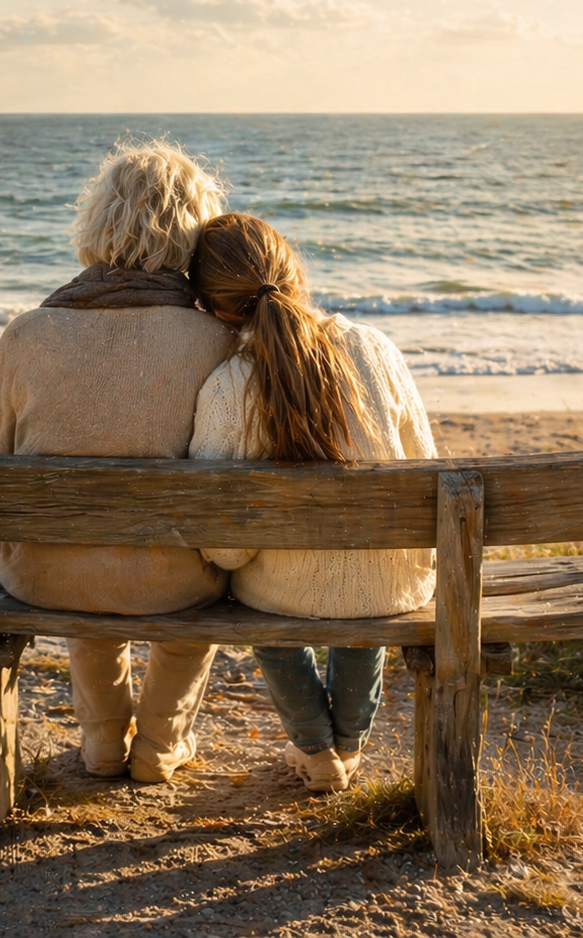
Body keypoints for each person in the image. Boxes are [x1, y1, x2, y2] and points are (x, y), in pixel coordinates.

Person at [0, 141, 235, 783]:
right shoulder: (218, 340)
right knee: (197, 577)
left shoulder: (27, 333)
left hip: (44, 575)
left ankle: (101, 739)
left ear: (95, 221)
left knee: (81, 556)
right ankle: (161, 741)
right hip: (175, 581)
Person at [188, 212, 437, 793]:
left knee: (255, 592)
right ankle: (348, 745)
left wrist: (238, 558)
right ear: (295, 273)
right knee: (364, 593)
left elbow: (219, 539)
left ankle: (315, 747)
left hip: (283, 591)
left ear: (216, 310)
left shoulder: (228, 385)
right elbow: (424, 467)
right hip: (390, 583)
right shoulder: (374, 348)